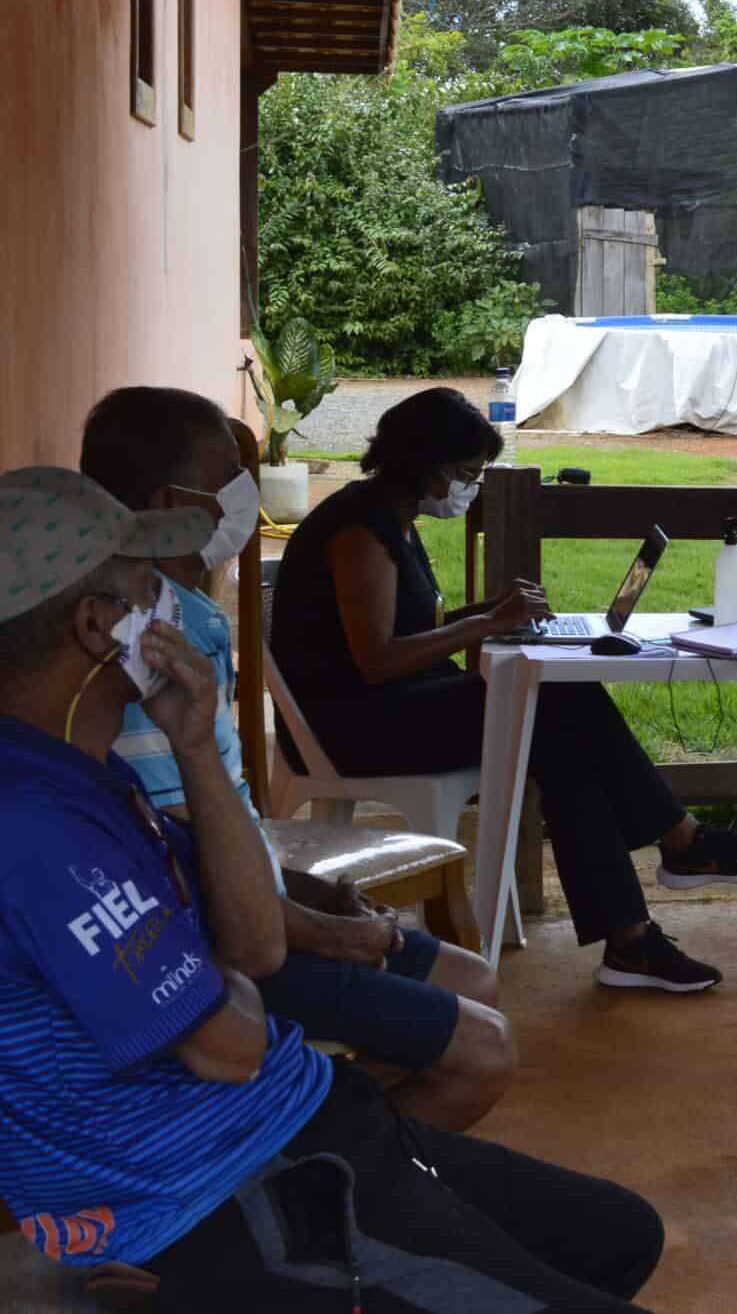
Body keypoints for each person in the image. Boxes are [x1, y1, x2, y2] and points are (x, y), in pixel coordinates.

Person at [0, 465, 662, 1309]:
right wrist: (211, 956)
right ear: (99, 626)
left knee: (619, 1234)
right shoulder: (33, 826)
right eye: (146, 584)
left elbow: (255, 945)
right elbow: (231, 1044)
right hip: (221, 1198)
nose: (168, 602)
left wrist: (197, 747)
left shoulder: (80, 778)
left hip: (300, 1127)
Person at [81, 386, 515, 1131]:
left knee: (472, 979)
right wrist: (332, 932)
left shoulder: (180, 612)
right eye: (228, 477)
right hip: (215, 943)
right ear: (170, 504)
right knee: (482, 1047)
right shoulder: (141, 643)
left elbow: (218, 828)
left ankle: (336, 1132)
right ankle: (323, 1153)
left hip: (252, 896)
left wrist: (311, 893)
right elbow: (186, 869)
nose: (244, 497)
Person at [269, 388, 737, 994]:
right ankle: (679, 847)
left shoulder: (391, 517)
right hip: (349, 728)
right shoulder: (360, 530)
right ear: (426, 464)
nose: (470, 487)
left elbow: (401, 628)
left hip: (385, 706)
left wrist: (487, 613)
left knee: (557, 729)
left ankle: (632, 934)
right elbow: (377, 660)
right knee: (556, 703)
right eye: (466, 474)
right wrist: (486, 623)